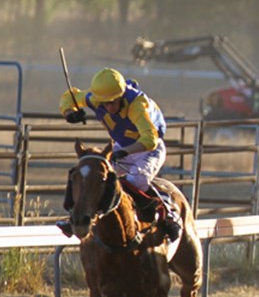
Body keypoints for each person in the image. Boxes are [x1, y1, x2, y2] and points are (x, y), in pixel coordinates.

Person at [56, 67, 181, 241]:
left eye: (113, 102)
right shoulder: (95, 99)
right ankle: (76, 217)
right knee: (92, 177)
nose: (109, 107)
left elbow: (150, 139)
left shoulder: (136, 106)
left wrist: (125, 152)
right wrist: (69, 113)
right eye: (104, 104)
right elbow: (69, 97)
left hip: (148, 149)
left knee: (136, 179)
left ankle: (168, 214)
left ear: (121, 96)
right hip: (121, 147)